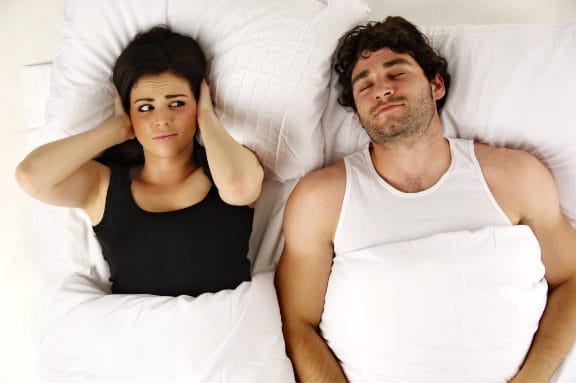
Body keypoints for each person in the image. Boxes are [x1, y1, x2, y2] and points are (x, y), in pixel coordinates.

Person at [274, 16, 576, 382]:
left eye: (396, 73)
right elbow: (296, 323)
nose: (381, 89)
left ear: (435, 84)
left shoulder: (515, 177)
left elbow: (572, 279)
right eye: (364, 84)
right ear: (356, 110)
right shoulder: (320, 200)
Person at [16, 26, 264, 297]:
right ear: (129, 112)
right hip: (138, 335)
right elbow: (31, 176)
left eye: (178, 103)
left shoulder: (227, 169)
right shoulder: (104, 187)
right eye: (145, 107)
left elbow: (240, 188)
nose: (161, 119)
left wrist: (206, 117)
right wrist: (117, 129)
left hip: (223, 331)